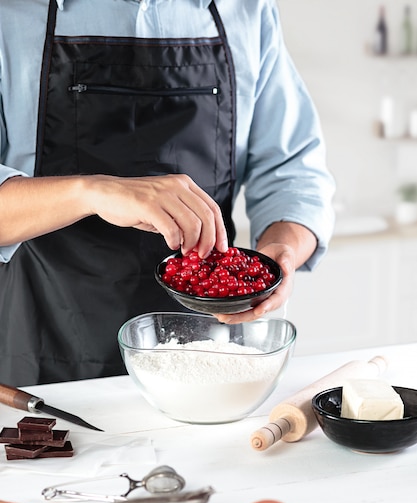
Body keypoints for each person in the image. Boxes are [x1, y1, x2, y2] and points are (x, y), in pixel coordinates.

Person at [0, 0, 335, 387]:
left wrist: (284, 248)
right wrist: (91, 191)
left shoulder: (245, 10)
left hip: (208, 353)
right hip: (44, 348)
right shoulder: (12, 12)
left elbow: (292, 169)